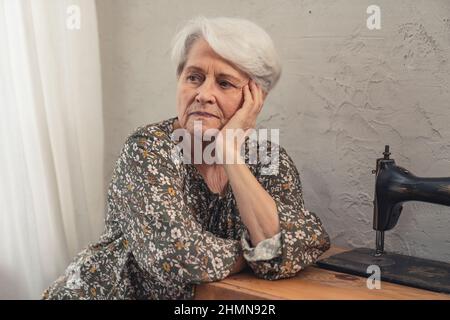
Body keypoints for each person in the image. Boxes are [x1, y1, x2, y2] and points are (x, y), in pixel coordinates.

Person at [43, 16, 330, 300]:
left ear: (256, 97)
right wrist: (256, 251)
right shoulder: (147, 149)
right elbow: (178, 258)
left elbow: (290, 250)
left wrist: (229, 153)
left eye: (225, 83)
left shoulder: (267, 157)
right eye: (194, 77)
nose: (204, 94)